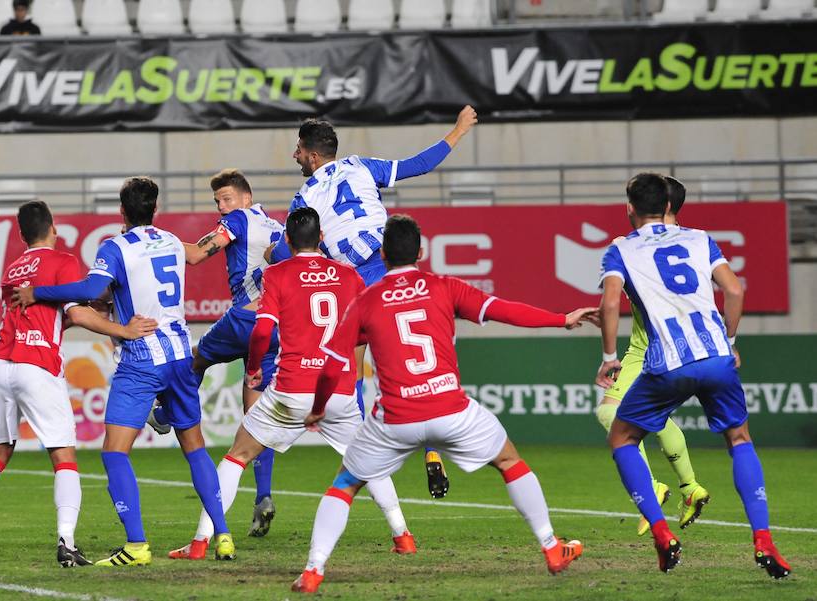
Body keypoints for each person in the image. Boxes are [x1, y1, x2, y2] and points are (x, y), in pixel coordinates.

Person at [291, 214, 599, 593]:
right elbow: (504, 309)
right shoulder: (444, 287)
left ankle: (313, 570)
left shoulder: (366, 301)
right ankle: (552, 548)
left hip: (395, 419)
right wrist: (560, 319)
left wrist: (319, 407)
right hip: (451, 411)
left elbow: (330, 366)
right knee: (509, 461)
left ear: (383, 255)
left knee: (345, 484)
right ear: (421, 251)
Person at [13, 177, 236, 565]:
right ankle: (223, 535)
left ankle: (136, 545)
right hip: (181, 353)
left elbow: (89, 288)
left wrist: (39, 293)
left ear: (122, 211)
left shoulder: (114, 247)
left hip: (141, 358)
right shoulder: (169, 240)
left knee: (115, 453)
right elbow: (182, 261)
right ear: (155, 209)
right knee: (195, 446)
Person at [271, 105, 480, 500]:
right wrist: (457, 130)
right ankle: (432, 453)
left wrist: (268, 251)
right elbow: (417, 165)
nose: (295, 156)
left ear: (313, 156)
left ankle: (366, 457)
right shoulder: (362, 166)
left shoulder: (306, 196)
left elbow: (291, 252)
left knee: (351, 368)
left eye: (298, 150)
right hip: (392, 265)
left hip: (356, 283)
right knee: (411, 363)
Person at [190, 206, 416, 557]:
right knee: (367, 460)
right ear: (322, 238)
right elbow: (363, 331)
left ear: (288, 242)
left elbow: (263, 330)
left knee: (236, 457)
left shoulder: (277, 274)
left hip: (292, 389)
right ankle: (403, 535)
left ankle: (201, 541)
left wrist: (253, 368)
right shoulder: (348, 275)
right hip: (338, 392)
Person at [596, 173, 790, 578]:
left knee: (623, 436)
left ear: (629, 208)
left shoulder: (620, 249)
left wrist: (609, 357)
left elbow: (611, 300)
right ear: (668, 204)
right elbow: (734, 291)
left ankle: (663, 532)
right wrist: (730, 339)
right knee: (739, 439)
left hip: (668, 360)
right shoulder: (700, 238)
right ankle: (764, 540)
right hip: (716, 355)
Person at [0, 201, 157, 568]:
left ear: (21, 234)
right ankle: (66, 541)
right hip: (37, 364)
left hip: (1, 363)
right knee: (64, 457)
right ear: (53, 227)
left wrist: (95, 313)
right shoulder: (63, 261)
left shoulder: (13, 268)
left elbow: (51, 318)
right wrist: (122, 329)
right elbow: (73, 313)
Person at [157, 169, 285, 560]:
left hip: (245, 320)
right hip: (274, 325)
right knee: (255, 416)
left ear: (246, 197)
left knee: (195, 359)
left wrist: (153, 239)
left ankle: (166, 414)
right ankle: (262, 496)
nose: (221, 207)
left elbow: (195, 255)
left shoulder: (237, 221)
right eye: (217, 202)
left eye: (226, 198)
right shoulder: (276, 225)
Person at [595, 175, 710, 536]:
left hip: (648, 350)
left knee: (609, 413)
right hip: (692, 348)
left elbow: (613, 298)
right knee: (655, 418)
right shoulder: (695, 242)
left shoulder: (628, 246)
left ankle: (650, 489)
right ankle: (690, 487)